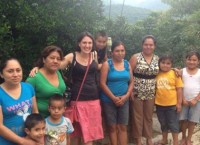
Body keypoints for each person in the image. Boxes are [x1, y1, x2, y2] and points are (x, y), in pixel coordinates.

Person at [60, 31, 104, 145]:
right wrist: (37, 67)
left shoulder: (94, 55)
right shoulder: (72, 56)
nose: (87, 45)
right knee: (75, 134)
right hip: (77, 99)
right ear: (79, 43)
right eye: (84, 42)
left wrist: (111, 63)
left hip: (94, 99)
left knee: (90, 136)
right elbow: (55, 65)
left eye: (90, 43)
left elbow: (96, 69)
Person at [100, 41, 134, 145]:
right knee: (112, 126)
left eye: (122, 50)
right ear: (112, 52)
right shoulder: (107, 64)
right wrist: (113, 98)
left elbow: (131, 81)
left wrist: (126, 96)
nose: (120, 53)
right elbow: (102, 83)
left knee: (123, 126)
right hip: (109, 100)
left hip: (124, 100)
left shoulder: (127, 64)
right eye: (117, 51)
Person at [129, 35, 159, 145]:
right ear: (142, 45)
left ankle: (148, 138)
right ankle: (138, 139)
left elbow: (164, 71)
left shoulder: (157, 59)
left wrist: (176, 70)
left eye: (151, 45)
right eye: (146, 44)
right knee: (137, 117)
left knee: (148, 116)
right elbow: (129, 73)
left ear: (154, 46)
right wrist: (130, 90)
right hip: (137, 91)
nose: (148, 47)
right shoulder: (135, 57)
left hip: (151, 92)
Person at [0, 58, 38, 145]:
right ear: (1, 74)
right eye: (10, 71)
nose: (15, 74)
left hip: (30, 139)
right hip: (6, 142)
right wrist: (23, 141)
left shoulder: (29, 88)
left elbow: (35, 112)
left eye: (18, 70)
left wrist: (36, 134)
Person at [27, 45, 66, 117]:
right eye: (52, 58)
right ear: (44, 59)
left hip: (59, 120)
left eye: (58, 59)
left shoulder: (58, 72)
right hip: (41, 121)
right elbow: (27, 101)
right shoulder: (34, 77)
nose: (55, 61)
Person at [155, 55, 183, 145]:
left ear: (171, 65)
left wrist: (179, 104)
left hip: (172, 105)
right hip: (159, 104)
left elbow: (179, 89)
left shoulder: (175, 74)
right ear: (159, 63)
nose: (165, 65)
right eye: (163, 63)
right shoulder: (157, 73)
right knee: (163, 124)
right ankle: (164, 140)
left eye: (168, 63)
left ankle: (175, 142)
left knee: (173, 124)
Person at [179, 51, 200, 145]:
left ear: (198, 61)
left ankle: (189, 138)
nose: (191, 62)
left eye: (194, 60)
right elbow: (179, 86)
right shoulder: (181, 71)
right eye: (189, 59)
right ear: (186, 60)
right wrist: (182, 98)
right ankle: (183, 137)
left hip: (196, 101)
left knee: (192, 121)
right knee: (183, 120)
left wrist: (196, 99)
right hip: (184, 100)